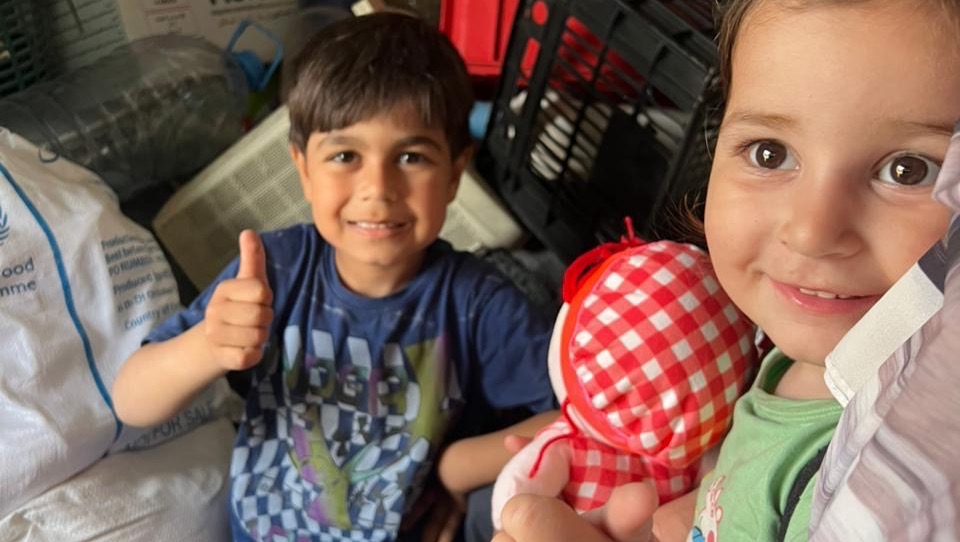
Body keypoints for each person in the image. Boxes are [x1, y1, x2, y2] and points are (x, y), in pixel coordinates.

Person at [493, 0, 960, 540]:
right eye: (769, 153)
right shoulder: (779, 350)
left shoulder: (884, 485)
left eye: (908, 170)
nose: (810, 233)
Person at [111, 12, 557, 542]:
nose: (378, 188)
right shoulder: (276, 272)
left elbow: (583, 417)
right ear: (303, 170)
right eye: (345, 155)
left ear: (455, 174)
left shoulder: (479, 306)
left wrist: (457, 466)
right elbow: (131, 401)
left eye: (411, 156)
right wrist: (208, 344)